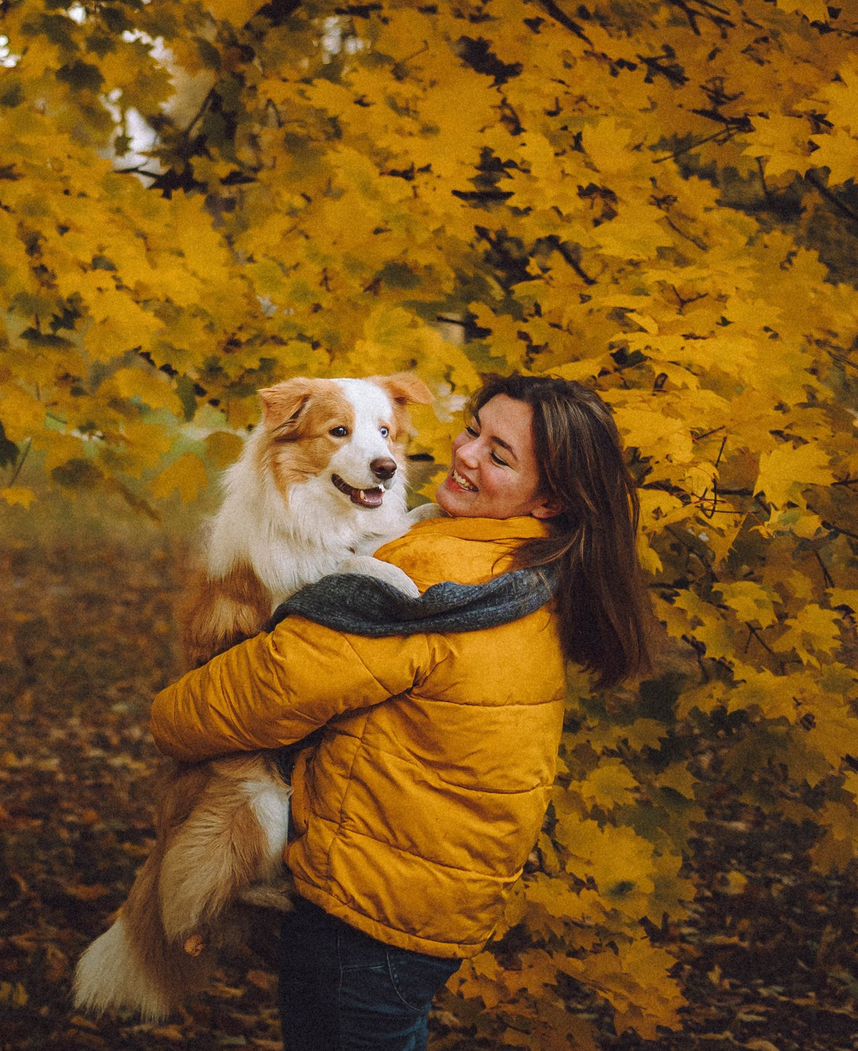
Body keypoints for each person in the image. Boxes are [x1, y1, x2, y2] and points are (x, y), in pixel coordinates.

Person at [147, 375, 656, 1051]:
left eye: (498, 456)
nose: (466, 454)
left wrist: (168, 713)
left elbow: (235, 702)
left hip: (365, 915)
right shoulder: (528, 567)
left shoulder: (424, 581)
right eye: (473, 430)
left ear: (551, 498)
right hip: (436, 900)